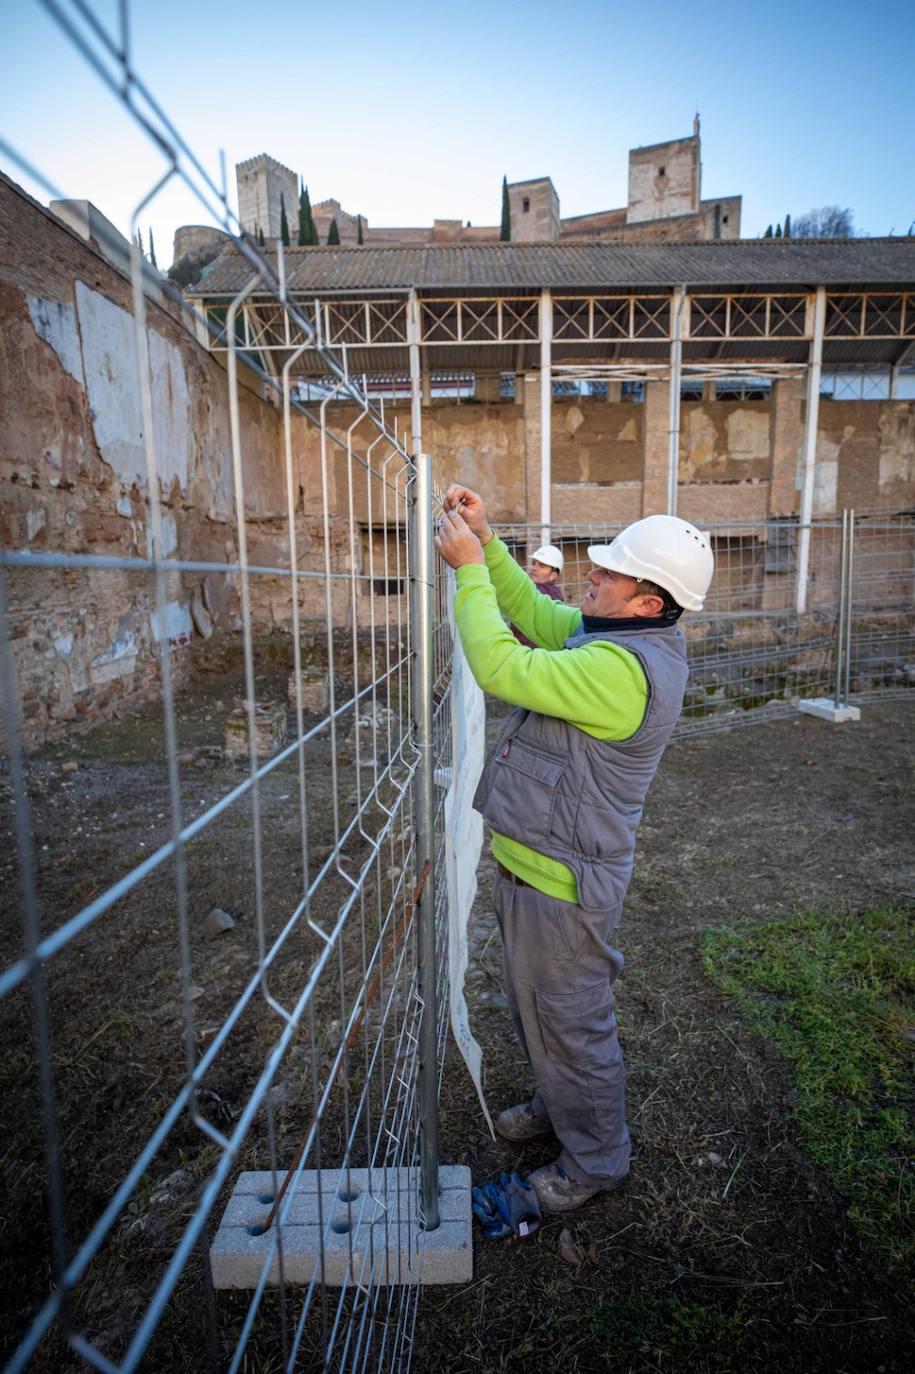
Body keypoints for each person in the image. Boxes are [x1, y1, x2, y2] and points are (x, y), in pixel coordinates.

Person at [434, 484, 714, 1213]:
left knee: (571, 1022)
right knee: (541, 1011)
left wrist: (466, 571)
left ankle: (593, 1163)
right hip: (542, 863)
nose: (594, 574)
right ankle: (561, 1110)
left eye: (612, 572)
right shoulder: (615, 636)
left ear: (649, 602)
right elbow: (533, 613)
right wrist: (487, 542)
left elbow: (500, 667)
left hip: (563, 881)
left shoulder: (619, 670)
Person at [512, 544, 564, 648]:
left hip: (531, 651)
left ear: (553, 575)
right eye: (534, 563)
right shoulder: (555, 593)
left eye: (542, 566)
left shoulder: (546, 594)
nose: (534, 568)